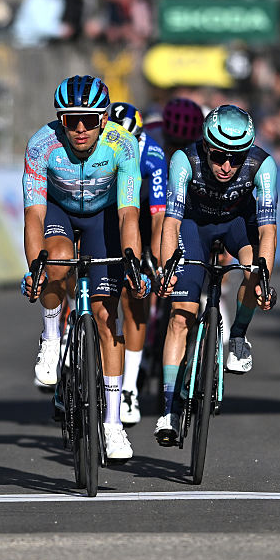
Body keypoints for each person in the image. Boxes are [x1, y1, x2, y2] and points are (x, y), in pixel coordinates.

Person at [21, 75, 150, 461]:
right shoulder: (41, 145)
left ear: (103, 119)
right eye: (70, 119)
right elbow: (33, 215)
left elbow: (129, 213)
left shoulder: (123, 145)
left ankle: (112, 425)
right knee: (56, 260)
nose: (79, 129)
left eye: (89, 120)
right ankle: (50, 340)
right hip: (59, 212)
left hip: (104, 216)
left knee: (108, 315)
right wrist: (34, 269)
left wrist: (133, 262)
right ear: (60, 118)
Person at [155, 105, 278, 447]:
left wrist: (264, 276)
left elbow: (267, 230)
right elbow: (172, 223)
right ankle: (168, 408)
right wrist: (168, 270)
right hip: (193, 226)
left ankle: (237, 335)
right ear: (207, 147)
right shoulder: (184, 159)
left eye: (236, 159)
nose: (227, 166)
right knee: (181, 315)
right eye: (220, 156)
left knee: (255, 270)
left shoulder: (262, 164)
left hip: (238, 224)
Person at [108, 101, 166, 427]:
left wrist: (154, 258)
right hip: (107, 211)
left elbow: (158, 219)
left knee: (135, 295)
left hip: (141, 217)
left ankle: (129, 387)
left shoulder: (153, 157)